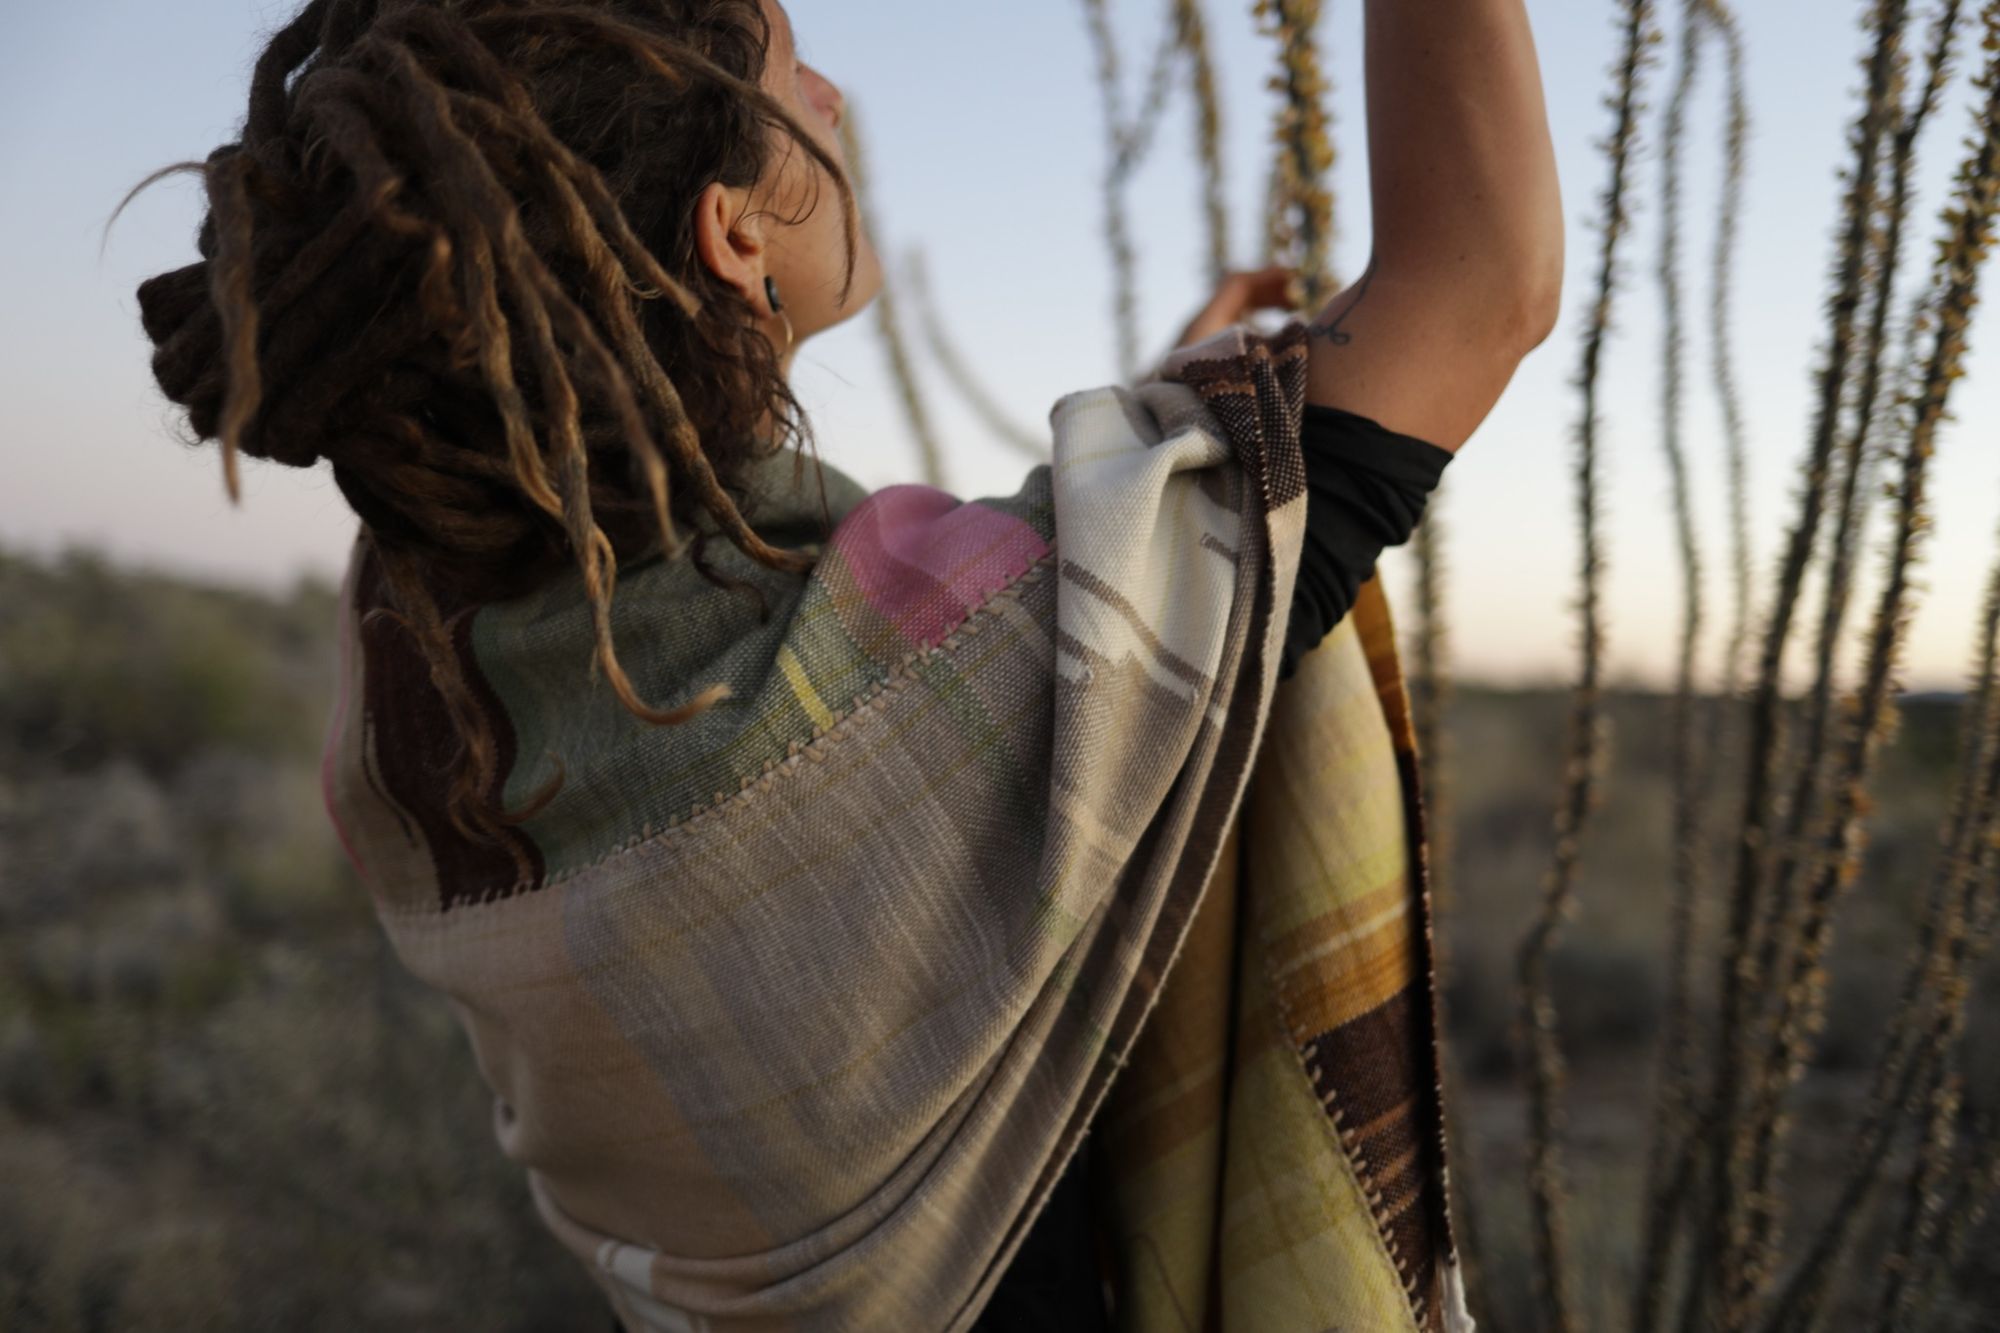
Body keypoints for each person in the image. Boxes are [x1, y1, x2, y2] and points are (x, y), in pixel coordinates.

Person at [133, 0, 1559, 1328]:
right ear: (737, 239)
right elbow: (1481, 277)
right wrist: (1202, 444)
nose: (833, 94)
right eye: (787, 72)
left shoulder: (429, 687)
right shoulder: (950, 701)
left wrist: (1180, 419)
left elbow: (979, 673)